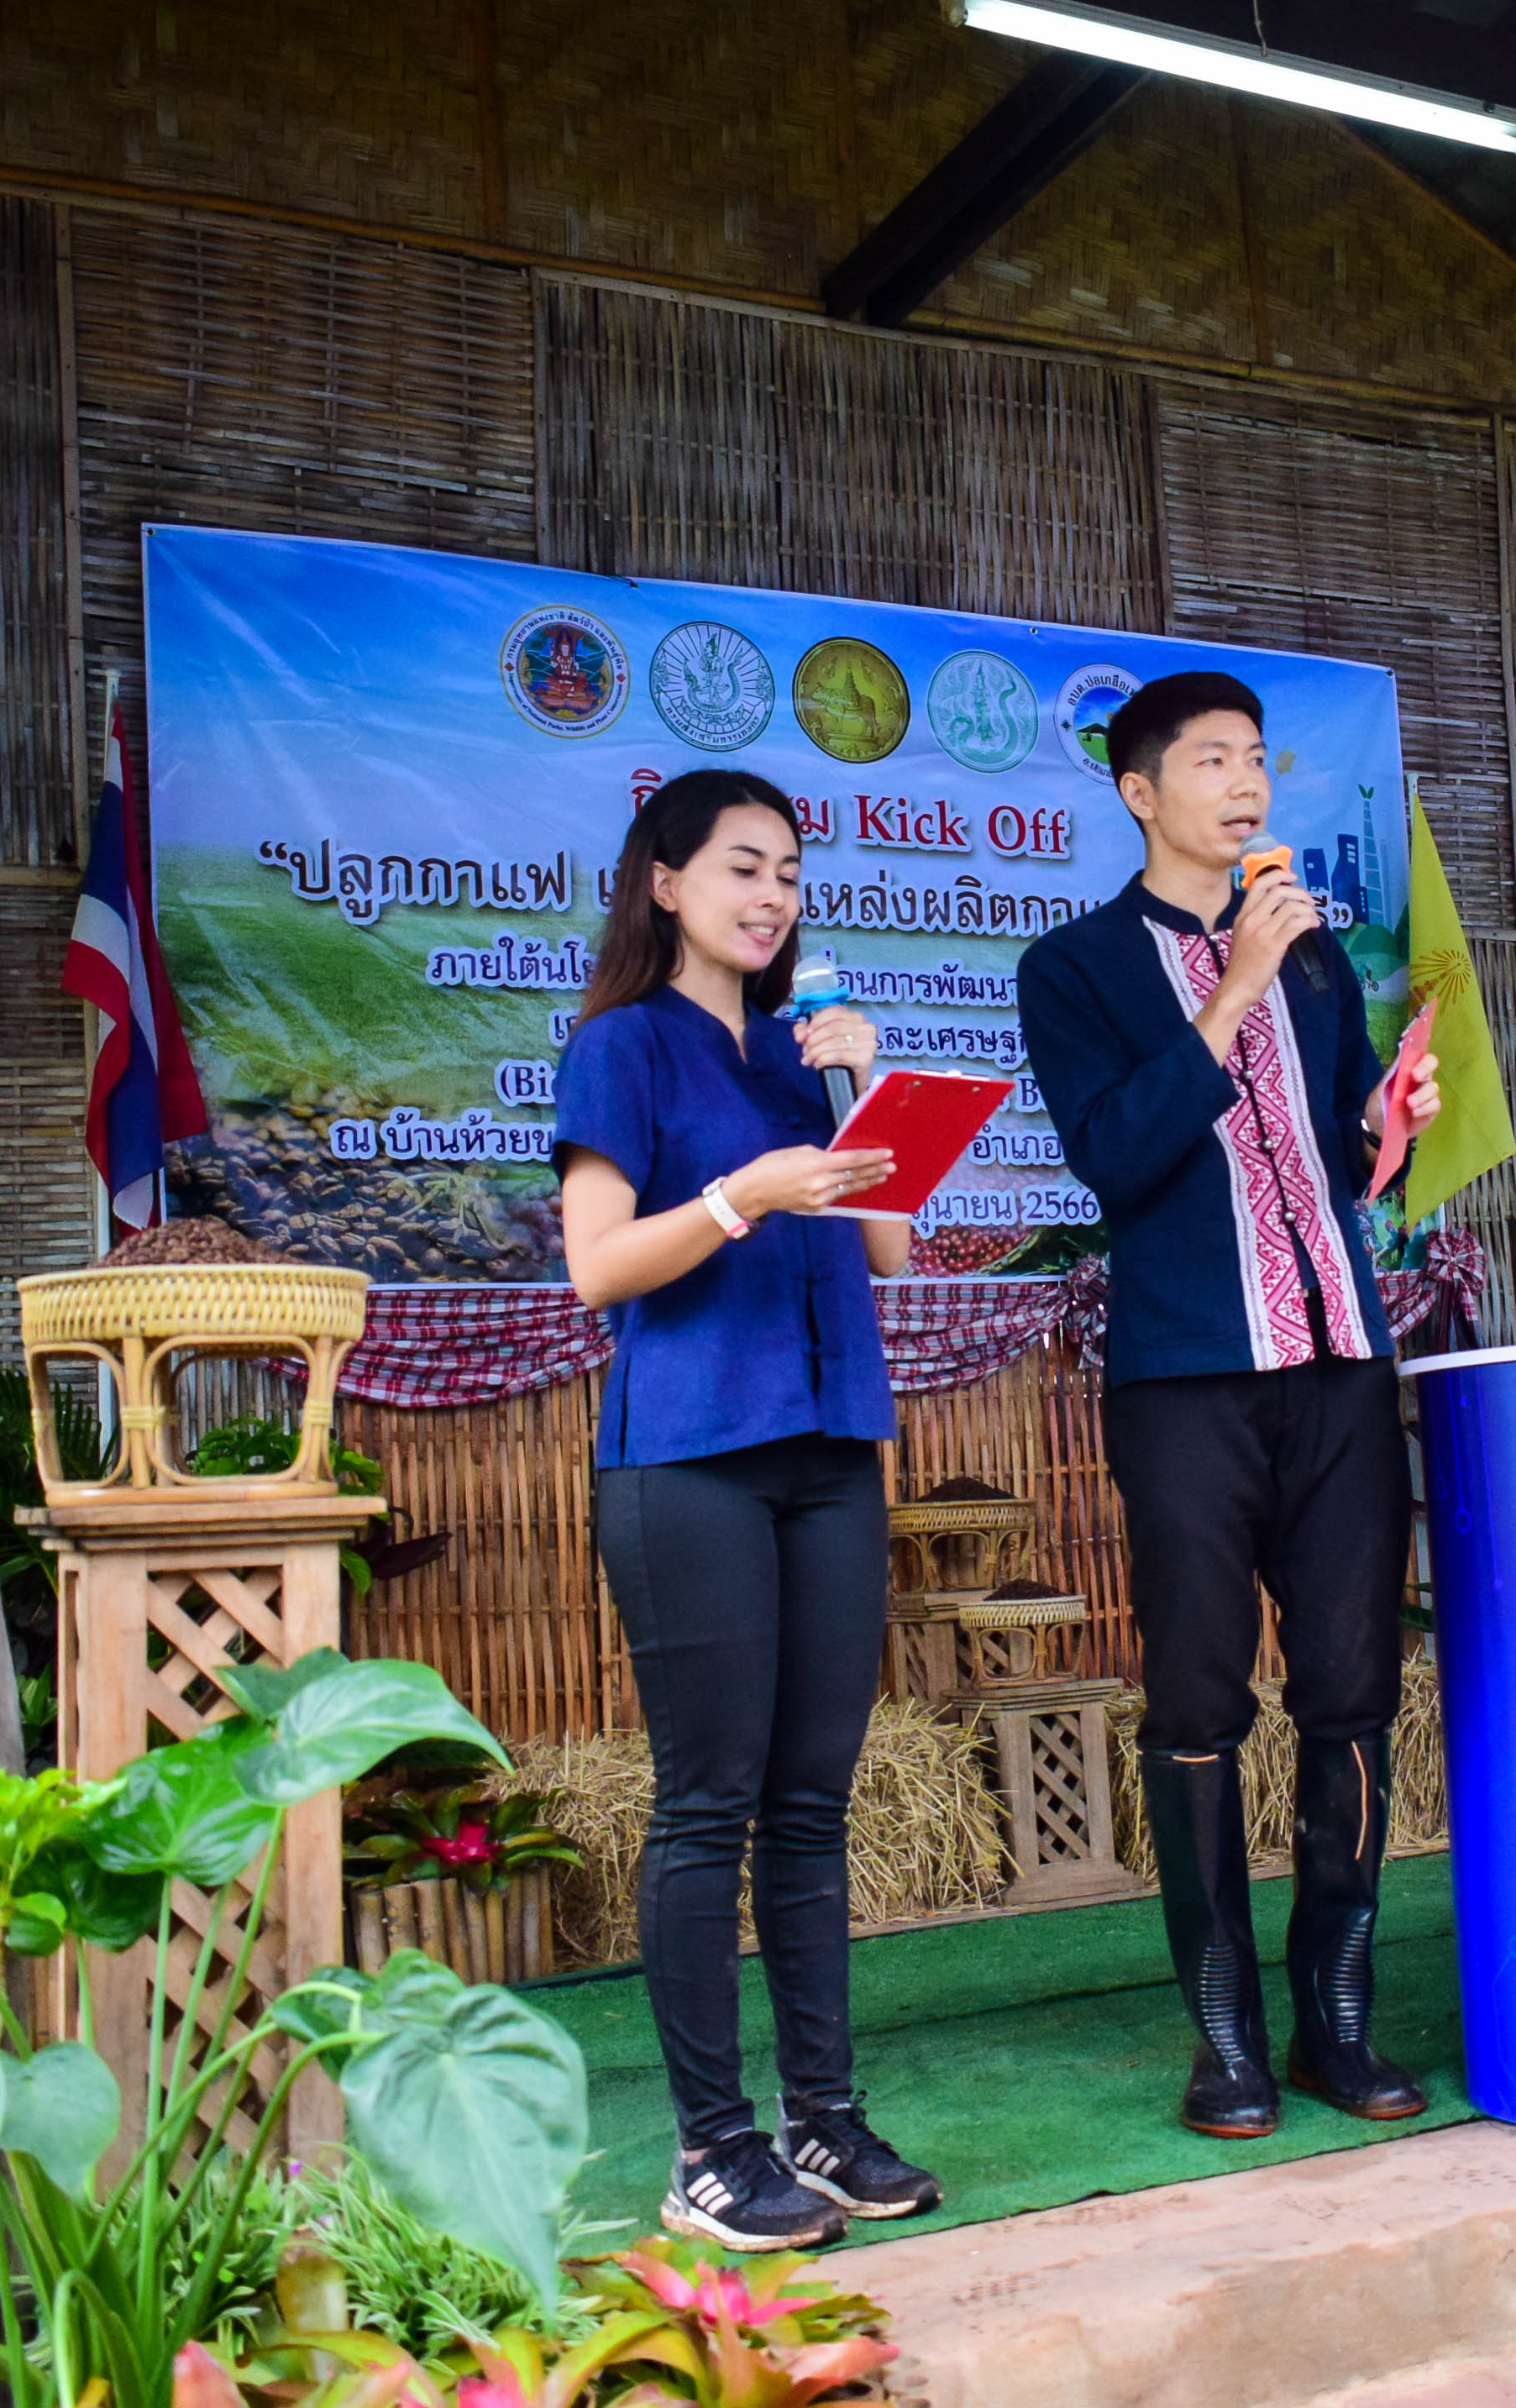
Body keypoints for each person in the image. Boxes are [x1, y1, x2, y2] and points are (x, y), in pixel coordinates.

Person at [1015, 673, 1445, 2137]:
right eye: (1212, 760)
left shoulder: (1318, 963)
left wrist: (1386, 1124)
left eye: (1258, 758)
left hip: (1337, 1364)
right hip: (1188, 1377)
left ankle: (1337, 2014)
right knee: (1198, 1697)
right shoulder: (1071, 967)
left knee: (1354, 1687)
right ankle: (1226, 2037)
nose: (1246, 783)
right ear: (1141, 792)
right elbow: (1115, 1158)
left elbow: (1333, 1156)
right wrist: (1236, 986)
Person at [553, 767, 944, 2248]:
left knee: (811, 1803)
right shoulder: (622, 1047)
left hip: (834, 1446)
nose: (771, 895)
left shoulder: (800, 1056)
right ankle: (710, 2151)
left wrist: (866, 1085)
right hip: (692, 1459)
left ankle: (822, 2124)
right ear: (666, 883)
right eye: (741, 867)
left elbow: (895, 1252)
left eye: (788, 872)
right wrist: (739, 1198)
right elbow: (596, 1269)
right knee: (707, 1805)